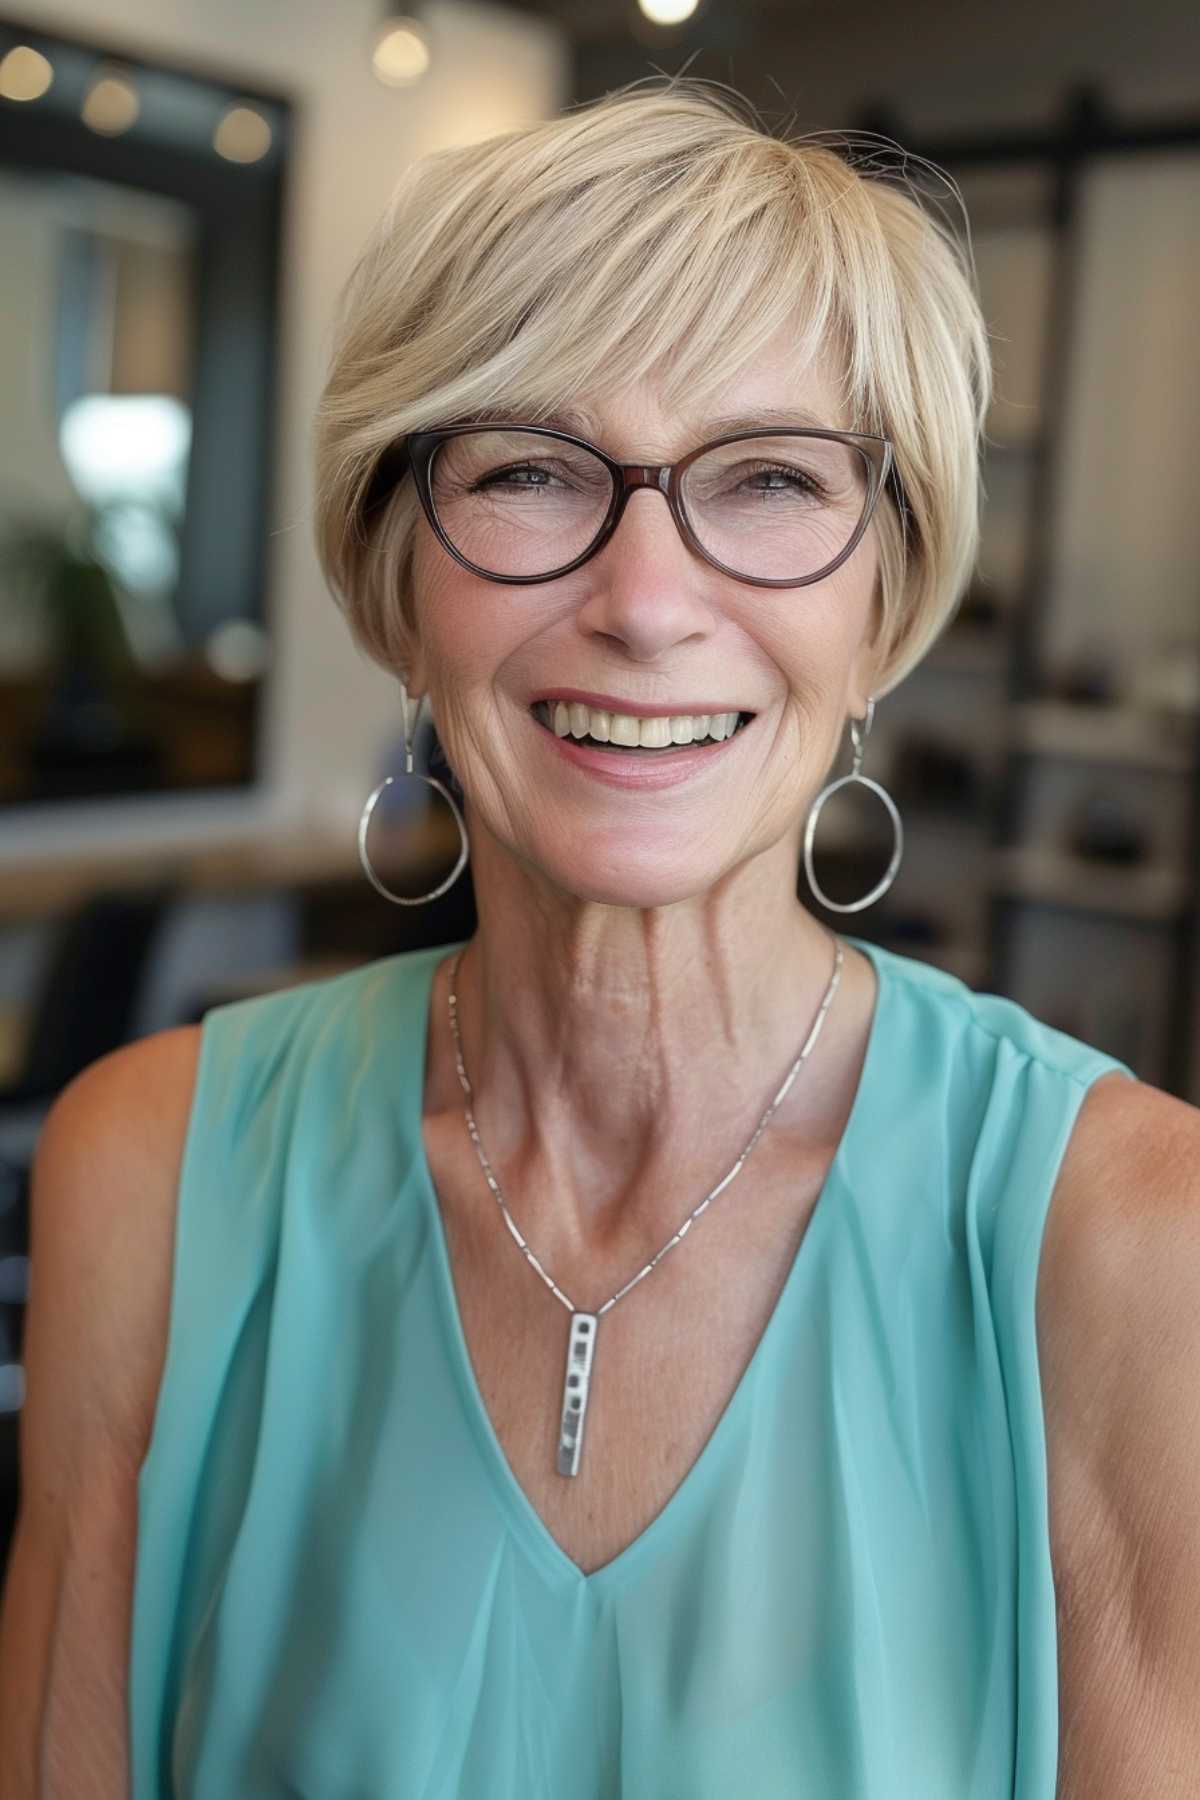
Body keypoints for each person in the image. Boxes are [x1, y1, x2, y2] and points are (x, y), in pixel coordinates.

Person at [2, 78, 1198, 1800]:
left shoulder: (1138, 1243)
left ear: (887, 602)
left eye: (773, 478)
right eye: (532, 471)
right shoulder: (148, 1178)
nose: (644, 602)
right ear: (398, 576)